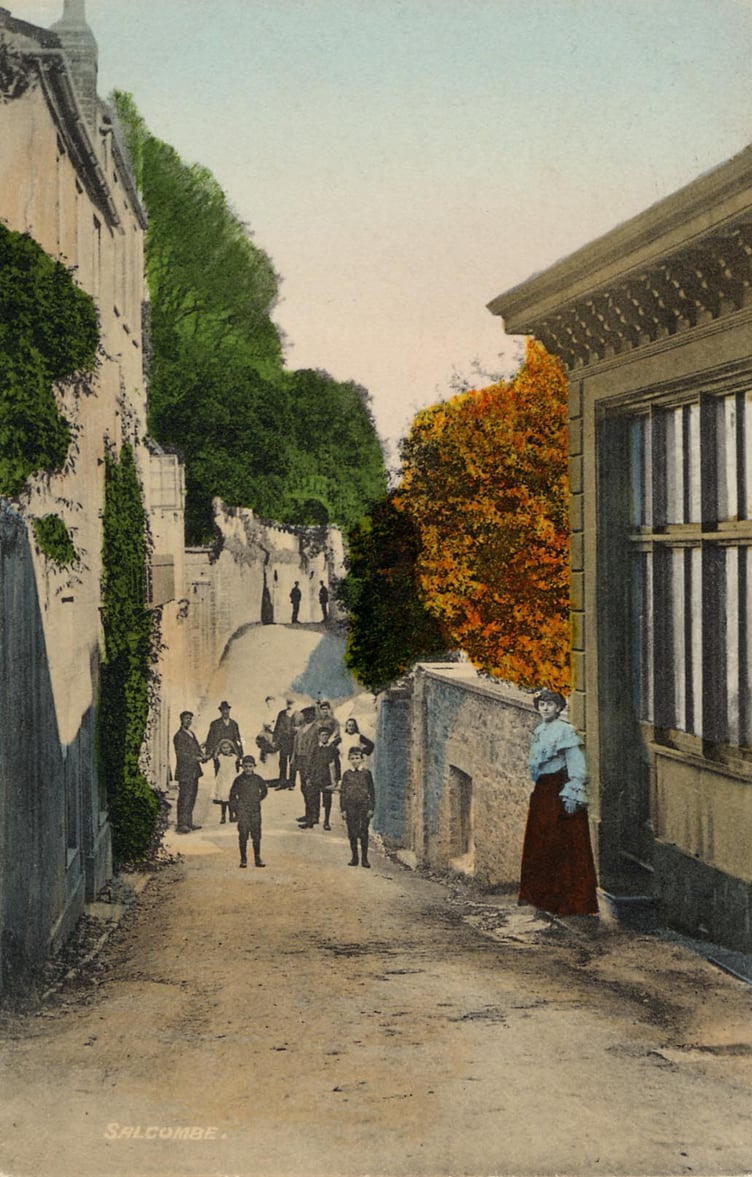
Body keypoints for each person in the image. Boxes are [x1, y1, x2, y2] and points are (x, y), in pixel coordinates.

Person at [518, 688, 598, 916]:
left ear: (559, 708)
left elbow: (576, 764)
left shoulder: (565, 731)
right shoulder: (540, 731)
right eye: (542, 704)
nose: (545, 708)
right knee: (542, 845)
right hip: (543, 792)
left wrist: (573, 792)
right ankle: (545, 900)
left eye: (550, 704)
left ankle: (569, 903)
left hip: (558, 792)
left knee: (562, 845)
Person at [229, 755, 268, 868]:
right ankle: (243, 858)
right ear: (242, 767)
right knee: (243, 834)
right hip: (243, 811)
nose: (248, 769)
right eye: (245, 766)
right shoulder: (238, 780)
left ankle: (257, 857)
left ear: (254, 766)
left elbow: (264, 790)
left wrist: (258, 799)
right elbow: (232, 795)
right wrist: (236, 809)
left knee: (256, 834)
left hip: (255, 810)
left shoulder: (258, 779)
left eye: (250, 766)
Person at [339, 746, 375, 868]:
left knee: (363, 831)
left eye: (357, 758)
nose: (355, 760)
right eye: (352, 758)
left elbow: (372, 791)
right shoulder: (347, 774)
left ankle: (365, 858)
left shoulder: (366, 773)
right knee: (352, 832)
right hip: (350, 806)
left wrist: (371, 808)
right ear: (349, 759)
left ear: (362, 759)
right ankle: (354, 857)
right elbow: (343, 792)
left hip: (363, 806)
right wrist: (343, 809)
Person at [173, 711, 205, 834]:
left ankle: (189, 822)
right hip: (184, 771)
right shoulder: (179, 736)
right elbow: (182, 755)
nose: (188, 721)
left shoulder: (191, 733)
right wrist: (196, 758)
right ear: (181, 720)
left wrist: (202, 755)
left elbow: (196, 749)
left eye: (190, 719)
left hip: (194, 771)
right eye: (186, 718)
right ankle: (181, 824)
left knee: (192, 796)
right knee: (184, 797)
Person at [302, 727, 339, 830]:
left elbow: (337, 765)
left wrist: (337, 779)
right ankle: (312, 820)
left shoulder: (332, 749)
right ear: (319, 737)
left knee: (327, 800)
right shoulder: (315, 748)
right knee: (312, 799)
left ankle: (326, 821)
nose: (324, 737)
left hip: (327, 778)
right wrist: (308, 776)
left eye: (326, 735)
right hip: (315, 777)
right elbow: (309, 763)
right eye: (323, 735)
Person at [204, 702, 243, 770]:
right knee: (220, 774)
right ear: (220, 711)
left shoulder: (234, 724)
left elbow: (238, 739)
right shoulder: (215, 724)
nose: (225, 712)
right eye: (223, 710)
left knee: (233, 773)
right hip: (219, 755)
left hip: (232, 754)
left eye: (227, 710)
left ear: (229, 710)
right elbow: (210, 739)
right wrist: (209, 753)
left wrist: (240, 753)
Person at [212, 738, 238, 824]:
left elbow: (236, 768)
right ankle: (223, 816)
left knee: (231, 798)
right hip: (223, 779)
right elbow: (217, 768)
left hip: (231, 779)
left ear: (231, 748)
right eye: (223, 748)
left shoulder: (234, 757)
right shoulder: (220, 757)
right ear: (220, 749)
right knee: (224, 799)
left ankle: (231, 816)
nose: (226, 749)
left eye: (227, 747)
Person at [272, 697, 297, 789]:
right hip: (283, 741)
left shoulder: (298, 715)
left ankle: (291, 783)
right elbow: (277, 727)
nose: (289, 705)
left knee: (292, 762)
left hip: (294, 740)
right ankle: (282, 782)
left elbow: (302, 728)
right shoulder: (282, 714)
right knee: (282, 761)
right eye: (288, 703)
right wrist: (274, 740)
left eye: (291, 703)